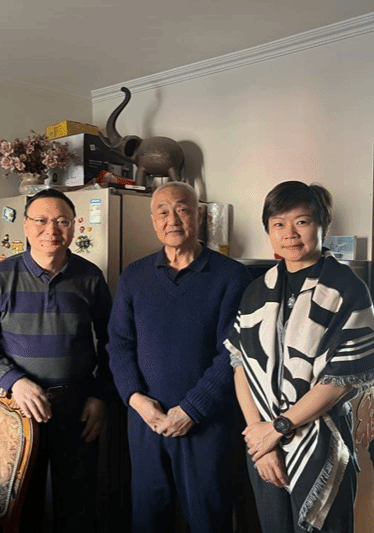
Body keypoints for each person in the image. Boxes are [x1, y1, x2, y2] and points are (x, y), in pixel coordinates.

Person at [224, 181, 374, 533]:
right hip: (264, 444)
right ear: (269, 230)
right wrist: (260, 439)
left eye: (301, 222)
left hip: (320, 440)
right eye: (278, 224)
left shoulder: (346, 287)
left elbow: (341, 380)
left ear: (322, 226)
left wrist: (278, 428)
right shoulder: (257, 290)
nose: (289, 233)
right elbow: (241, 365)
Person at [0, 188, 111, 532]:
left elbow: (112, 342)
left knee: (78, 509)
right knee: (20, 508)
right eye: (41, 220)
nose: (51, 230)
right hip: (17, 409)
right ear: (26, 226)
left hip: (78, 408)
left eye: (62, 221)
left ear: (73, 226)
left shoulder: (90, 277)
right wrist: (15, 382)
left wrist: (101, 396)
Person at [107, 181, 251, 532]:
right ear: (153, 220)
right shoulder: (134, 275)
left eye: (182, 209)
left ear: (198, 216)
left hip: (207, 424)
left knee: (208, 520)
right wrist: (137, 400)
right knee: (147, 518)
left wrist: (191, 410)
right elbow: (119, 344)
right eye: (163, 211)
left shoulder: (232, 276)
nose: (172, 219)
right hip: (146, 420)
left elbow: (234, 352)